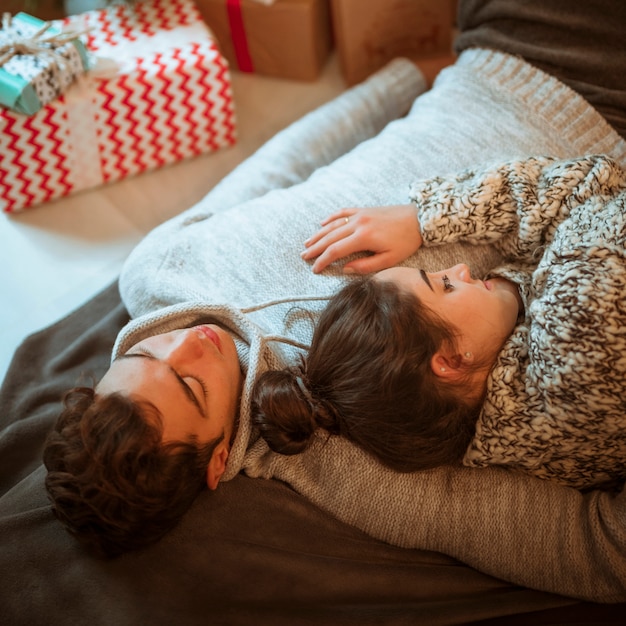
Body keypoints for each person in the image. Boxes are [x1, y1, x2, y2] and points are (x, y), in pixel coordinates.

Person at [43, 0, 626, 601]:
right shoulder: (344, 463)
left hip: (493, 59)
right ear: (217, 462)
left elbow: (288, 162)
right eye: (192, 387)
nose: (189, 341)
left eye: (145, 355)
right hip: (605, 161)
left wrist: (404, 77)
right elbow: (591, 546)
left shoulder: (156, 269)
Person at [252, 154, 626, 490]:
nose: (460, 268)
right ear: (449, 360)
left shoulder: (535, 455)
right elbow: (591, 182)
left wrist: (510, 291)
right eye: (443, 284)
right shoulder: (576, 332)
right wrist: (424, 217)